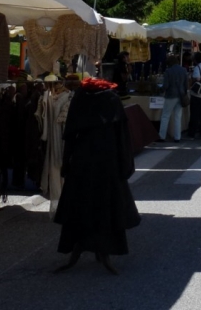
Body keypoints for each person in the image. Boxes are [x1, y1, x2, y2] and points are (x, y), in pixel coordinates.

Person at [54, 77, 141, 275]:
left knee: (83, 202)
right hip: (108, 162)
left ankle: (83, 242)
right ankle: (103, 246)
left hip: (83, 162)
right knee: (106, 203)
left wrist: (66, 163)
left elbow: (70, 135)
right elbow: (123, 137)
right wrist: (126, 165)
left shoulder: (80, 100)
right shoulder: (111, 101)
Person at [157, 54, 188, 142]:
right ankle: (177, 137)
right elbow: (186, 84)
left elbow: (166, 85)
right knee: (178, 116)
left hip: (170, 95)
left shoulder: (168, 71)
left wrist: (160, 90)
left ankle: (162, 136)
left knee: (165, 116)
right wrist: (185, 93)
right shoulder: (183, 70)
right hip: (181, 95)